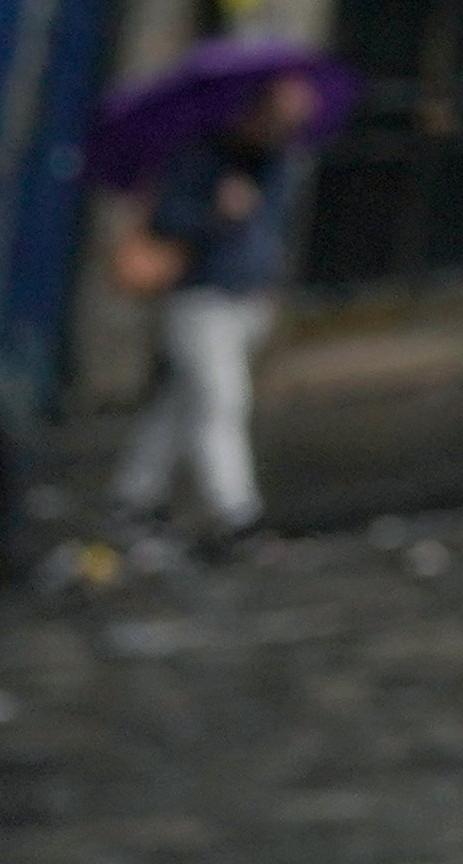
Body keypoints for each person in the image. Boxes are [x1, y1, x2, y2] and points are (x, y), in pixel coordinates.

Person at [110, 71, 314, 553]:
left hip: (249, 303)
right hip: (202, 301)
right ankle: (236, 512)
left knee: (180, 403)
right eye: (277, 115)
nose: (283, 127)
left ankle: (132, 496)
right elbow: (166, 219)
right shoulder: (202, 158)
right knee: (223, 402)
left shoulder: (280, 164)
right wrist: (215, 212)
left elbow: (274, 232)